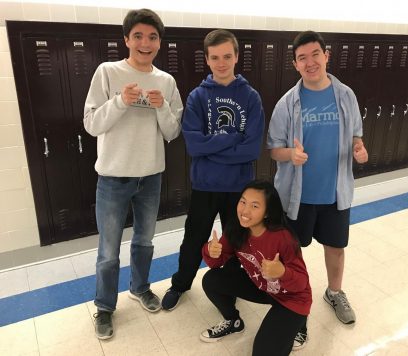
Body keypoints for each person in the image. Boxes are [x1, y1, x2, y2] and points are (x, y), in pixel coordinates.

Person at [83, 8, 183, 339]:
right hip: (112, 178)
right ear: (126, 39)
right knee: (108, 251)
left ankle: (140, 288)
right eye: (138, 36)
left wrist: (161, 107)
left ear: (159, 42)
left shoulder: (166, 81)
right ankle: (105, 307)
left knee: (144, 241)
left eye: (152, 37)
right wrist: (120, 102)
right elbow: (92, 123)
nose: (145, 42)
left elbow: (172, 132)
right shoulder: (107, 72)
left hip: (150, 177)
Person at [267, 31, 369, 345]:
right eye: (302, 58)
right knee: (293, 256)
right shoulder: (287, 103)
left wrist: (359, 150)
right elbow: (274, 150)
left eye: (315, 54)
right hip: (297, 196)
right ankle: (296, 306)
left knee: (336, 248)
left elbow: (356, 137)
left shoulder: (345, 95)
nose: (310, 62)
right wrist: (290, 156)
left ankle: (334, 292)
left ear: (327, 55)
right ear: (295, 64)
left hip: (335, 191)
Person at [161, 29, 265, 310]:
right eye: (215, 57)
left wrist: (213, 146)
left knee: (236, 241)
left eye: (227, 56)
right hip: (205, 185)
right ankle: (180, 284)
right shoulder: (197, 97)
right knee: (194, 238)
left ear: (236, 57)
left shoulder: (250, 97)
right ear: (207, 59)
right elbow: (194, 146)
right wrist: (232, 139)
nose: (222, 63)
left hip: (239, 188)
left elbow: (252, 149)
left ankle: (229, 285)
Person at [200, 180, 312, 356]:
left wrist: (282, 272)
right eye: (243, 202)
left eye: (254, 206)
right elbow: (215, 264)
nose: (244, 211)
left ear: (267, 212)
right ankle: (233, 321)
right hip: (262, 286)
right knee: (211, 280)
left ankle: (299, 324)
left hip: (291, 298)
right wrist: (210, 250)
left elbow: (301, 283)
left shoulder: (283, 238)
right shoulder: (236, 229)